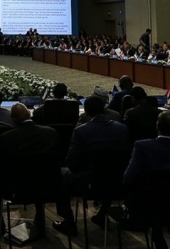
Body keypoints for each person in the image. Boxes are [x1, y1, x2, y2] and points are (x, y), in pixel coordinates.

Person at [53, 96, 130, 235]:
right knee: (110, 173)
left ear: (86, 111)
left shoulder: (81, 131)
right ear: (104, 109)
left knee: (58, 174)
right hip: (118, 182)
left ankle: (69, 222)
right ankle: (102, 213)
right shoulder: (122, 128)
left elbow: (72, 162)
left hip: (88, 183)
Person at [123, 111, 170, 249]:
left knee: (157, 214)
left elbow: (128, 177)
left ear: (157, 126)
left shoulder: (142, 146)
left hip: (148, 206)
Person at [0, 103, 61, 237]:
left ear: (13, 120)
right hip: (51, 188)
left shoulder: (7, 138)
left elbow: (3, 167)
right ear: (29, 115)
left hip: (18, 190)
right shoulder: (51, 133)